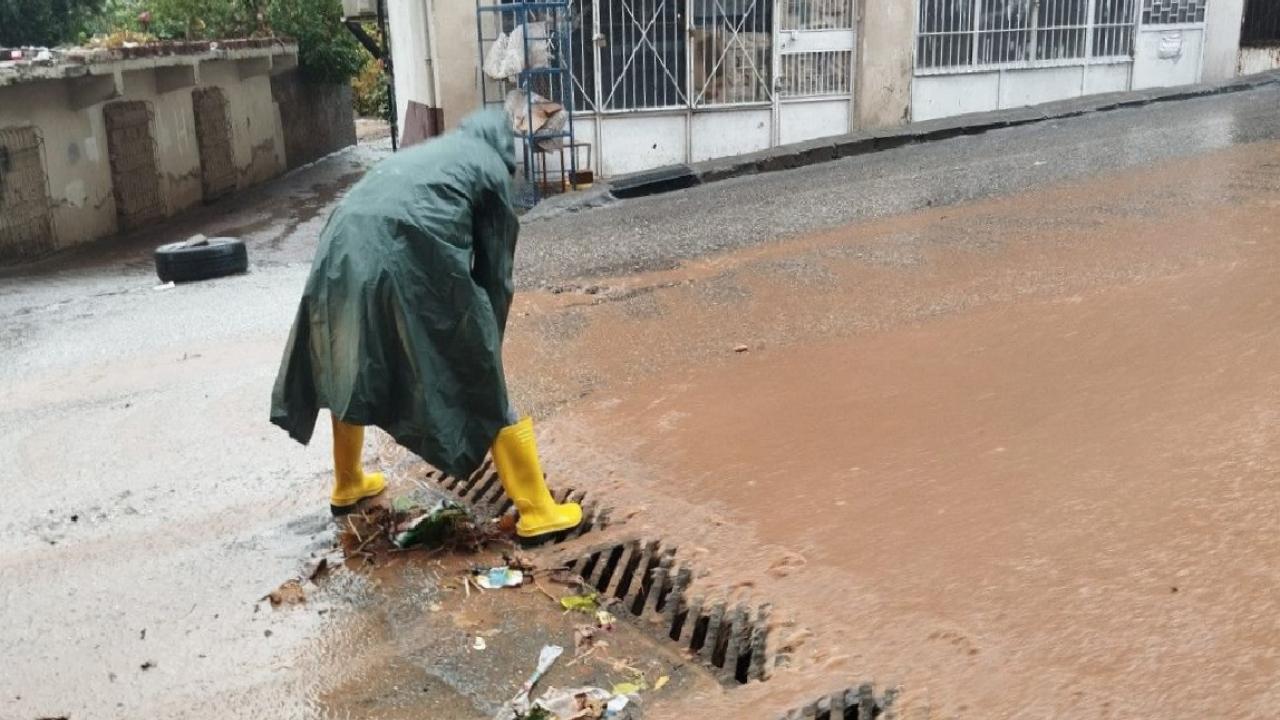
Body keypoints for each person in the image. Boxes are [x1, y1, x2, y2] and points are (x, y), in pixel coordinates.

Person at [269, 109, 581, 540]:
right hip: (401, 246)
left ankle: (348, 483)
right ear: (507, 148)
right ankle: (538, 511)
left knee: (349, 357)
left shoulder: (436, 151)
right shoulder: (491, 168)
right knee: (481, 373)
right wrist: (484, 348)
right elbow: (496, 274)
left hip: (338, 244)